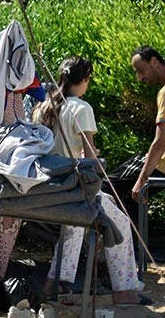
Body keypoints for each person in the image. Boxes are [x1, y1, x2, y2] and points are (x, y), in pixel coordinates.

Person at [32, 56, 146, 305]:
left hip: (46, 188)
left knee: (73, 227)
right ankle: (125, 290)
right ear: (84, 79)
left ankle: (55, 284)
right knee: (120, 223)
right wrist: (93, 159)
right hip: (73, 188)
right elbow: (91, 159)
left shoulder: (43, 107)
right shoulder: (81, 108)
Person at [129, 45, 165, 204]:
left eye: (141, 70)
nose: (139, 78)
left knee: (111, 187)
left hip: (162, 165)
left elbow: (161, 142)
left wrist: (141, 180)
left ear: (154, 62)